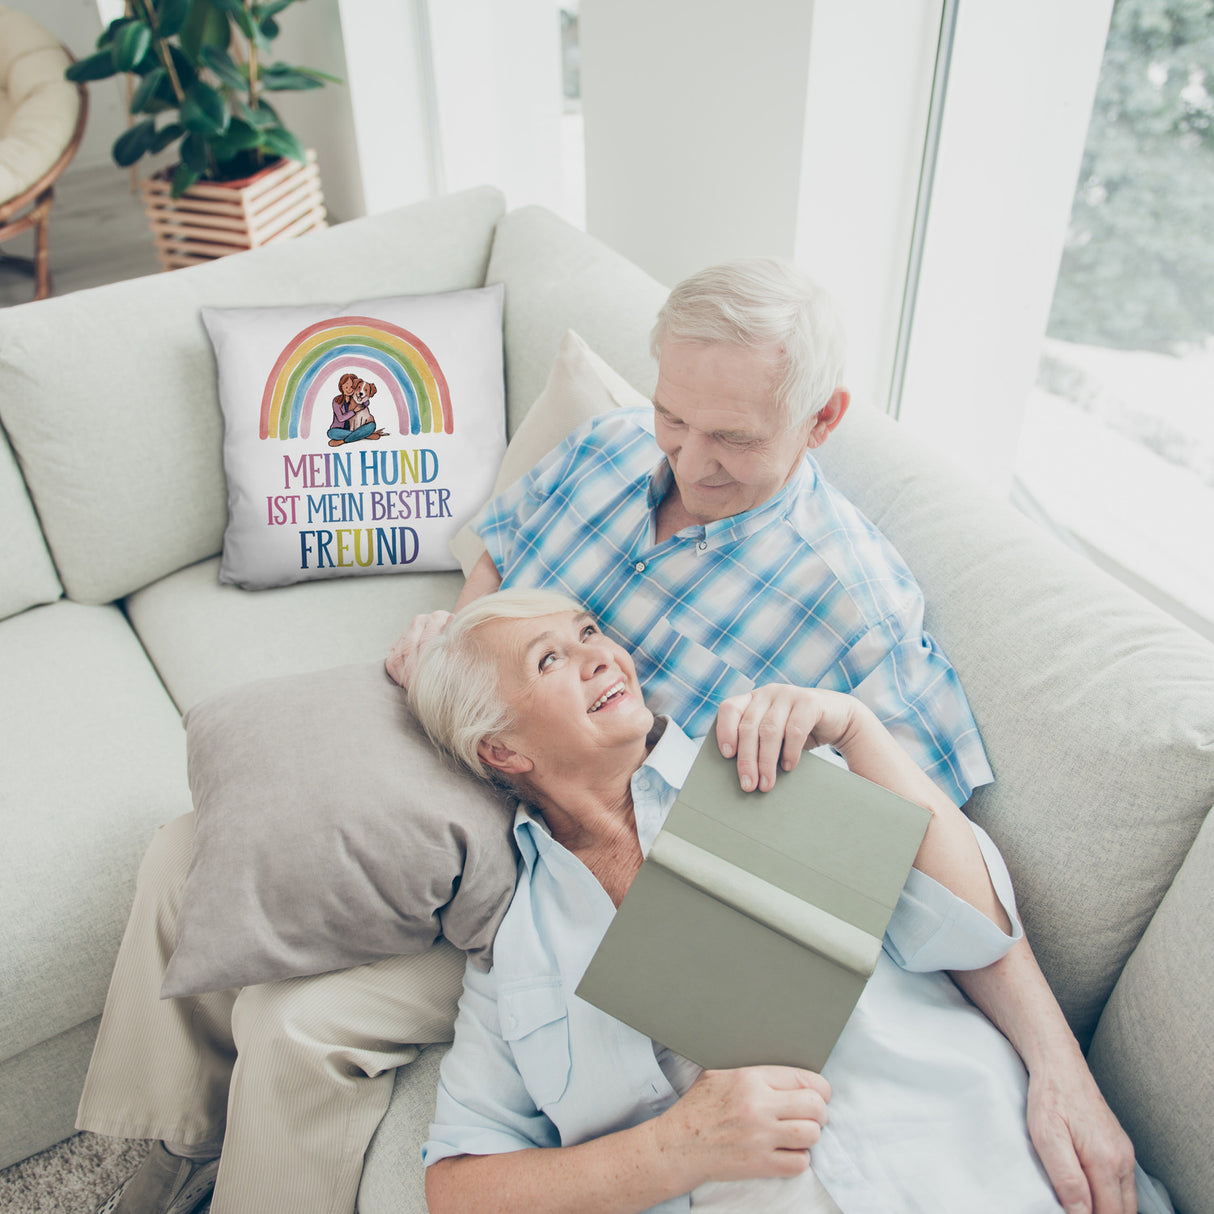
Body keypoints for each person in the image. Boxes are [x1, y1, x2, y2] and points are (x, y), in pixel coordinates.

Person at [388, 259, 1137, 1213]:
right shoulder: (608, 450)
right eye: (674, 418)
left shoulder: (828, 666)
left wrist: (1058, 1069)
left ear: (822, 420)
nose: (689, 463)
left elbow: (945, 887)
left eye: (732, 438)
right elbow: (500, 552)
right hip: (491, 836)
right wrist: (461, 657)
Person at [407, 589, 1162, 1214]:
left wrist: (858, 731)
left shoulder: (762, 762)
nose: (601, 654)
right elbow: (458, 1187)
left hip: (983, 1167)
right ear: (502, 750)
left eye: (589, 632)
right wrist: (673, 1150)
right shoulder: (516, 951)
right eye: (551, 659)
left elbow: (973, 929)